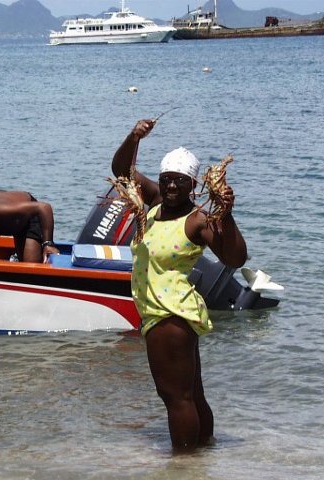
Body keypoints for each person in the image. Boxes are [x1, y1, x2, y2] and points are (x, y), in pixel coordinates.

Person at [112, 119, 248, 451]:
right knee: (191, 394)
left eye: (180, 182)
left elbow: (236, 257)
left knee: (175, 397)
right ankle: (203, 456)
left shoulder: (197, 219)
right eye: (167, 180)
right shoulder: (156, 203)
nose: (172, 187)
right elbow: (121, 171)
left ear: (194, 185)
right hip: (167, 313)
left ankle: (183, 464)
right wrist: (134, 137)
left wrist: (225, 212)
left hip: (168, 314)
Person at [0, 190, 59, 263]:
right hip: (9, 221)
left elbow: (44, 207)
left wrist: (48, 244)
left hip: (29, 215)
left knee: (30, 265)